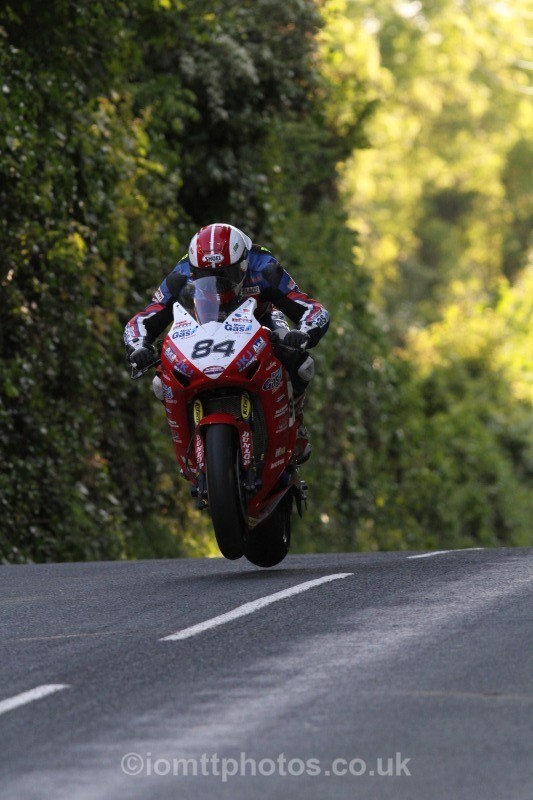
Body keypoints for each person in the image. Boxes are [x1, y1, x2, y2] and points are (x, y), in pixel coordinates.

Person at [124, 223, 329, 463]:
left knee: (299, 363)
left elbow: (311, 308)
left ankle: (296, 421)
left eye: (226, 275)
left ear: (243, 265)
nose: (217, 286)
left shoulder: (264, 267)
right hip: (200, 327)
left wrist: (304, 332)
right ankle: (186, 437)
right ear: (194, 271)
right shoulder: (180, 276)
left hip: (260, 320)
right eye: (205, 277)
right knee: (162, 380)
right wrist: (138, 346)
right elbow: (146, 317)